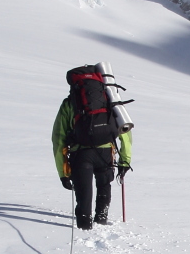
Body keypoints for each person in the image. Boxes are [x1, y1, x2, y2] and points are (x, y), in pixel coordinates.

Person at [52, 81, 132, 229]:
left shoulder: (70, 103)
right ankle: (101, 219)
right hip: (106, 153)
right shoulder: (110, 100)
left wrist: (63, 173)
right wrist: (124, 161)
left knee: (84, 192)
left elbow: (58, 139)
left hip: (81, 154)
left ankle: (84, 226)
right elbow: (125, 132)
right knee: (104, 185)